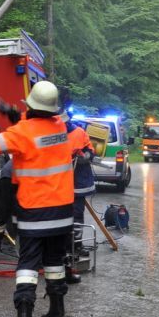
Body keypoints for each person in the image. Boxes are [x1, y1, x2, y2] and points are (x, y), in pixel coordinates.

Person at [0, 80, 75, 317]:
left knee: (28, 265)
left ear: (31, 106)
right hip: (62, 212)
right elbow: (37, 127)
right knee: (55, 263)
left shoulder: (21, 132)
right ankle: (57, 314)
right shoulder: (60, 127)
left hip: (34, 211)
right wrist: (15, 115)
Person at [66, 120, 95, 284]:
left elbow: (90, 151)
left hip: (78, 182)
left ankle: (75, 246)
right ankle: (66, 246)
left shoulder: (79, 132)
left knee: (77, 215)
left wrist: (84, 156)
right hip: (59, 184)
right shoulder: (51, 133)